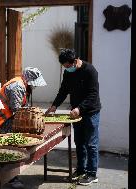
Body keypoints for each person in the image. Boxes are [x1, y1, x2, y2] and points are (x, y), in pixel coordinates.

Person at [45, 48, 101, 186]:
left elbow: (93, 94)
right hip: (76, 113)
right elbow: (63, 90)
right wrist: (54, 106)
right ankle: (81, 170)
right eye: (64, 67)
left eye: (68, 66)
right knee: (79, 142)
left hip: (90, 112)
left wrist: (80, 108)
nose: (67, 69)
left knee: (91, 144)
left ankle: (92, 173)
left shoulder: (90, 71)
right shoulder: (68, 73)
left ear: (75, 61)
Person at [0, 67, 47, 189]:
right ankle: (9, 177)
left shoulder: (21, 84)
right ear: (29, 79)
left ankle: (7, 175)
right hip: (1, 120)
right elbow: (17, 110)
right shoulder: (17, 87)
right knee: (10, 147)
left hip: (6, 118)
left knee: (10, 148)